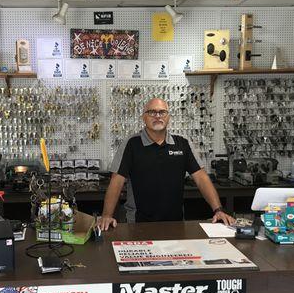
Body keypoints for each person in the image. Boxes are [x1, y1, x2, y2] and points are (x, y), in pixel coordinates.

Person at [99, 97, 235, 230]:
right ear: (144, 117)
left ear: (168, 117)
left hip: (175, 223)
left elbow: (201, 178)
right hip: (139, 223)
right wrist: (106, 215)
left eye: (162, 112)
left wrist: (218, 210)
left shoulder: (182, 143)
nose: (157, 116)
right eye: (152, 112)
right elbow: (116, 182)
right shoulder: (131, 144)